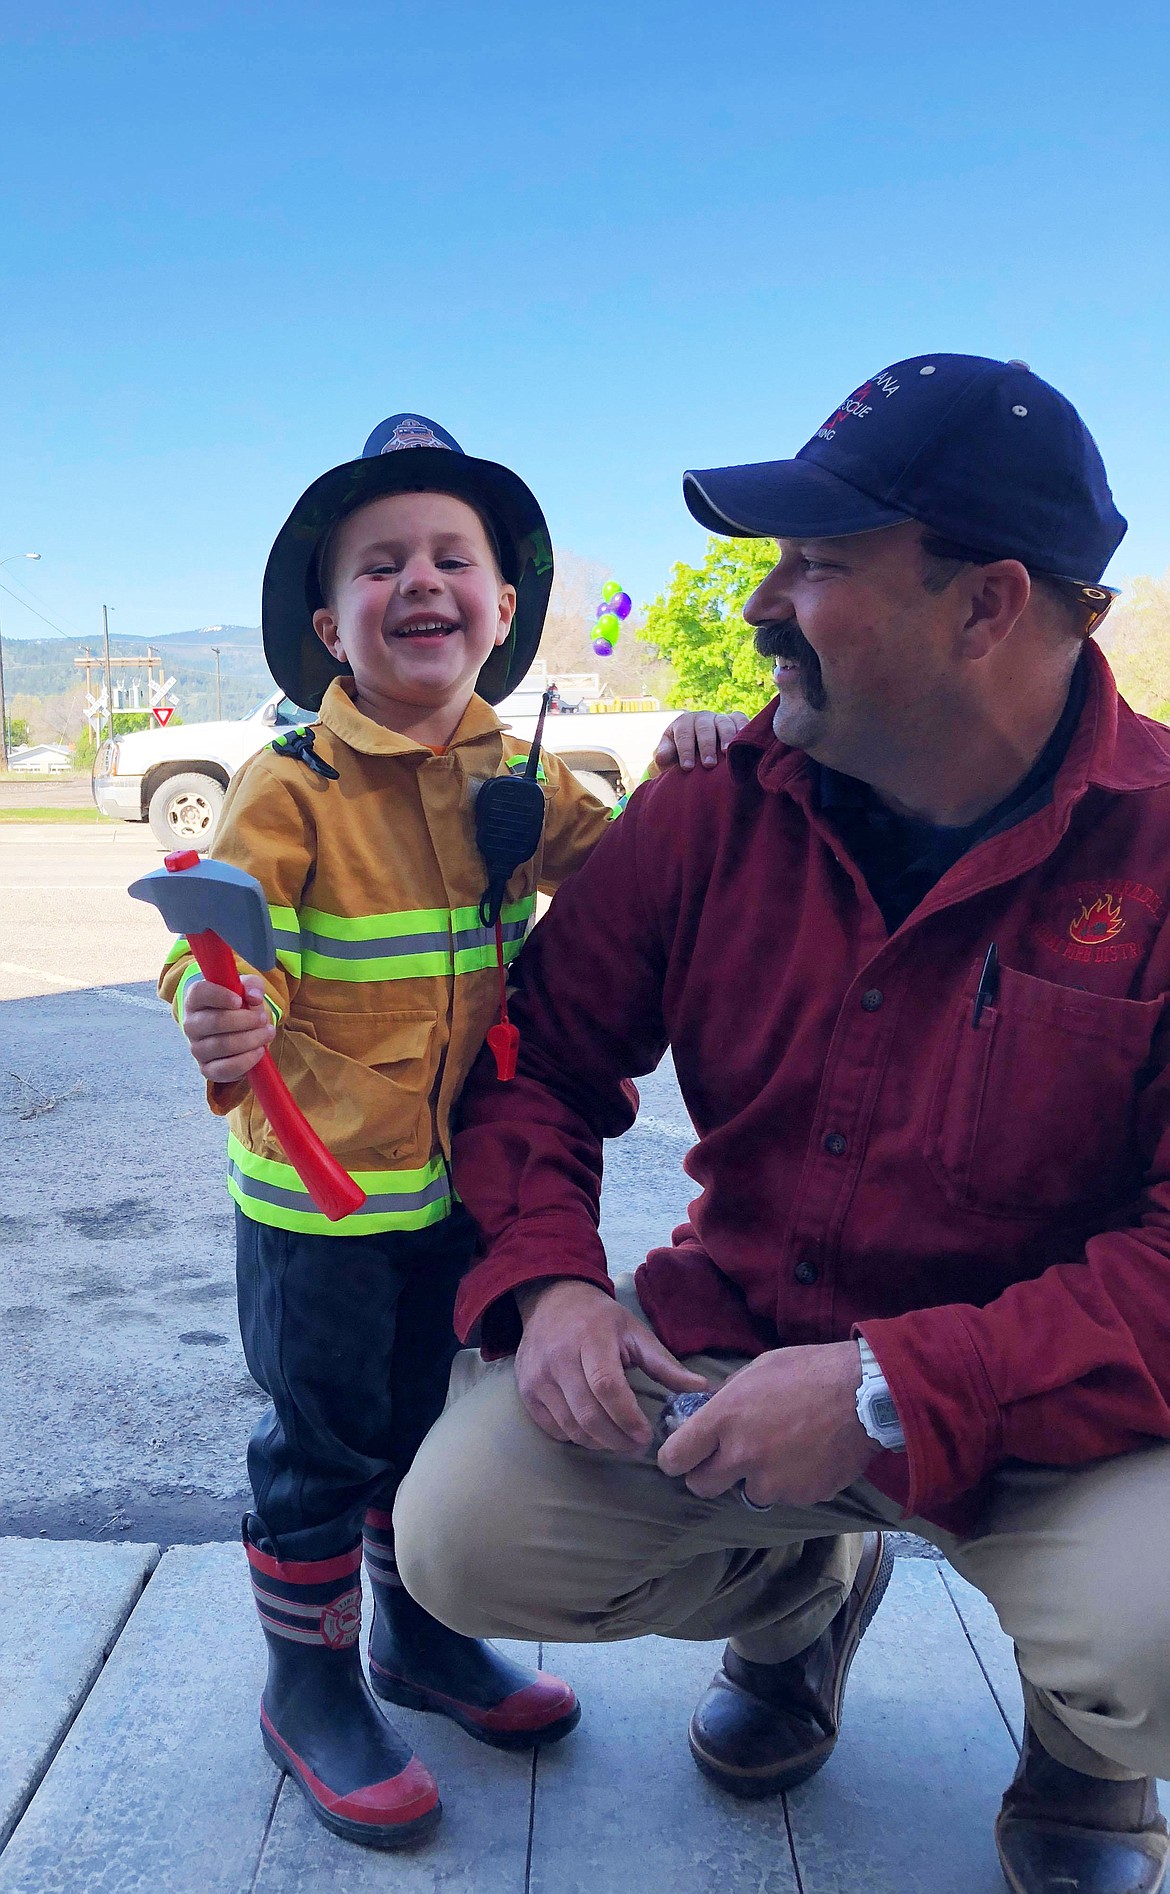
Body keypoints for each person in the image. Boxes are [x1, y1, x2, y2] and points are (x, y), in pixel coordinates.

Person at [393, 358, 1170, 1894]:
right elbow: (531, 1060)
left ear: (985, 604)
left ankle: (1088, 1748)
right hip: (743, 1347)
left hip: (1060, 1417)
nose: (761, 604)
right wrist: (550, 1282)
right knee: (464, 1534)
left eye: (815, 565)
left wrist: (892, 1388)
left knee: (1156, 1630)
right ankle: (806, 1589)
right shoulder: (710, 807)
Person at [158, 412, 742, 1851]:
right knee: (323, 1442)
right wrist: (216, 1005)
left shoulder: (519, 777)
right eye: (378, 564)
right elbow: (216, 939)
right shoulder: (288, 784)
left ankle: (415, 1641)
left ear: (500, 610)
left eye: (450, 558)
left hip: (462, 1193)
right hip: (320, 1199)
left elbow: (632, 882)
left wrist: (692, 766)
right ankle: (307, 1682)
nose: (419, 581)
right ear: (327, 620)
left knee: (430, 1427)